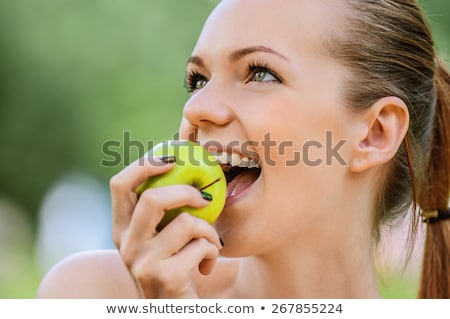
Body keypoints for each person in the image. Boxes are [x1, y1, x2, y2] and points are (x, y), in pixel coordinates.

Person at [37, 0, 450, 298]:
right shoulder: (92, 294)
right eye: (197, 80)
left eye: (260, 73)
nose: (196, 108)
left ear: (374, 133)